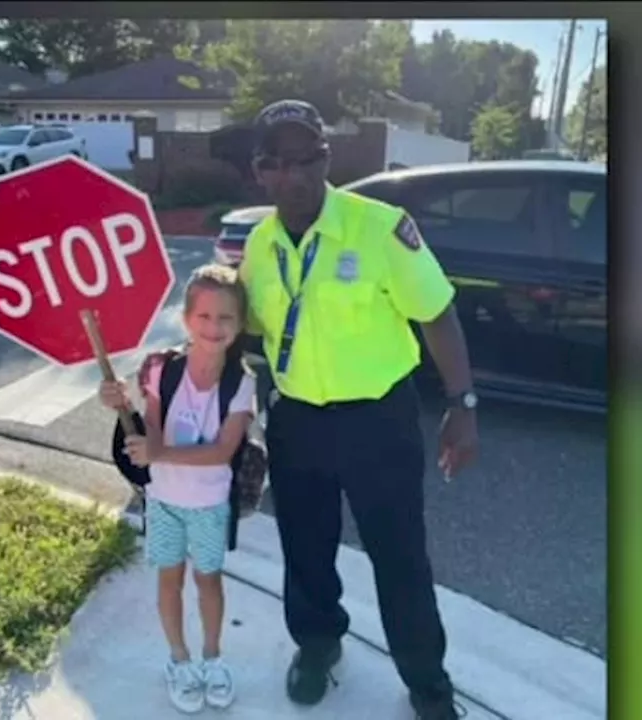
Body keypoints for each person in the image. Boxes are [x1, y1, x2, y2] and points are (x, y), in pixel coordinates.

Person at [238, 99, 480, 720]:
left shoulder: (380, 227)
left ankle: (428, 683)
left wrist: (463, 402)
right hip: (297, 421)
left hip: (379, 422)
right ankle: (317, 646)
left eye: (304, 159)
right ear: (258, 170)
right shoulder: (259, 246)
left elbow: (437, 312)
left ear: (327, 158)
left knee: (400, 558)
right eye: (274, 162)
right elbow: (248, 331)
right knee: (306, 549)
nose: (290, 174)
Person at [98, 264, 257, 715]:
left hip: (208, 504)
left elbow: (223, 450)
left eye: (226, 318)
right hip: (165, 502)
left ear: (240, 324)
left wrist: (159, 454)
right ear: (186, 319)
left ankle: (212, 656)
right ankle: (180, 660)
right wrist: (121, 405)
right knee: (170, 580)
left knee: (209, 582)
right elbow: (151, 429)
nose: (214, 327)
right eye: (204, 316)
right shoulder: (161, 369)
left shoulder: (240, 383)